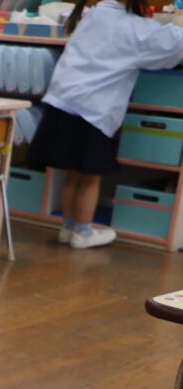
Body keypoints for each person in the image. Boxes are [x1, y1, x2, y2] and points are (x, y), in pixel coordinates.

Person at [28, 0, 183, 248]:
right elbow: (175, 44)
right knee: (91, 177)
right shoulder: (137, 28)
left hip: (64, 102)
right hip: (94, 110)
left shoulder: (94, 15)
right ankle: (83, 232)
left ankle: (67, 228)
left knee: (71, 173)